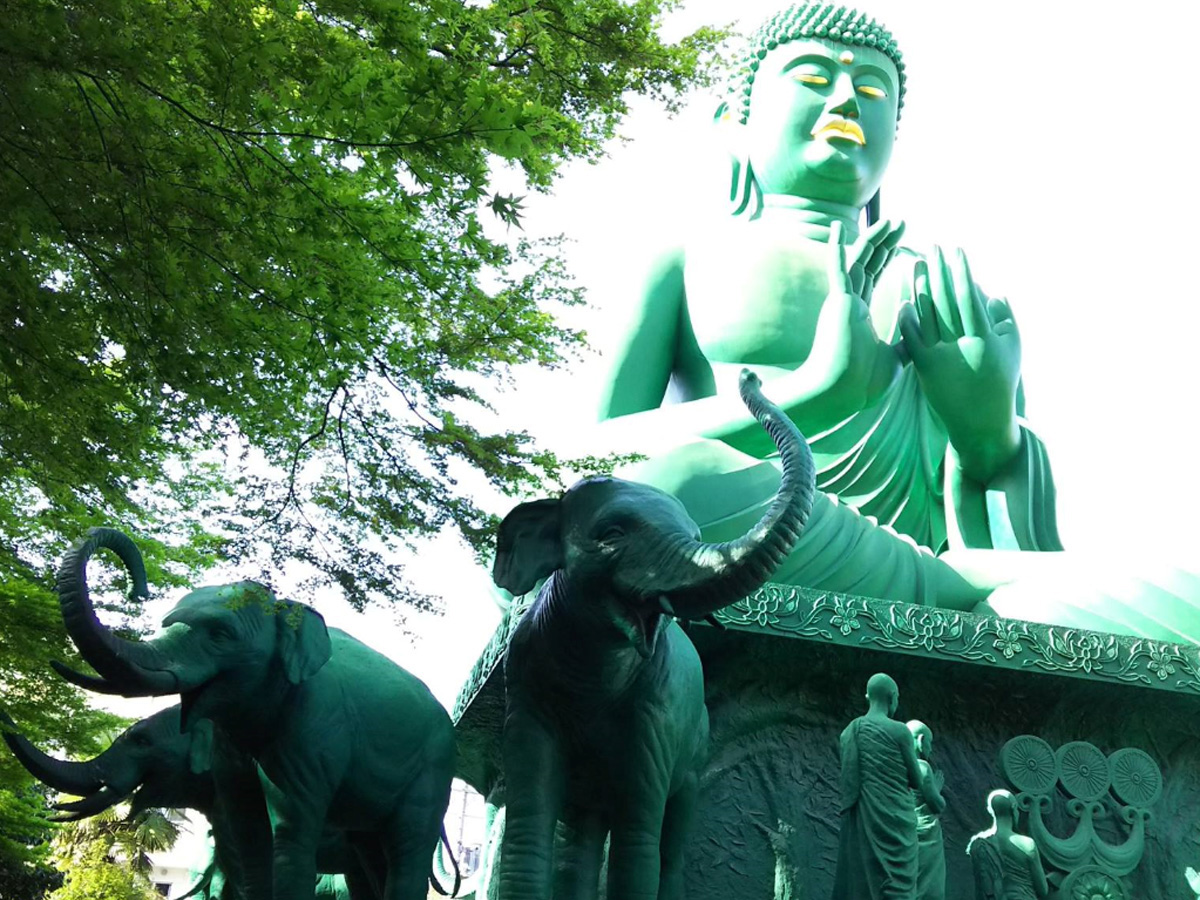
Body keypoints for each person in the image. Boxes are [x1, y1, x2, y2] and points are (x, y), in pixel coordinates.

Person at [593, 1, 1200, 642]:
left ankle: (961, 607)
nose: (849, 101)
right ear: (734, 122)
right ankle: (964, 613)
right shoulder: (690, 260)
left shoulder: (929, 283)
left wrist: (989, 432)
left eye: (873, 89)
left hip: (916, 567)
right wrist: (817, 393)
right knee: (666, 488)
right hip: (750, 528)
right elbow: (588, 469)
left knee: (1184, 591)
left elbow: (1005, 511)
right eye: (812, 77)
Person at [833, 673, 943, 899]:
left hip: (863, 819)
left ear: (867, 696)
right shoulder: (899, 730)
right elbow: (914, 779)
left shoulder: (849, 733)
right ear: (892, 697)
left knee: (864, 876)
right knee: (897, 883)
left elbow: (849, 780)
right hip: (897, 822)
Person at [967, 789, 1049, 900]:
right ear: (1014, 808)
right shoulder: (1026, 844)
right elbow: (1043, 890)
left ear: (990, 810)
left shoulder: (978, 844)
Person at [907, 720, 947, 900]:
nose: (930, 749)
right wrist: (937, 788)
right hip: (926, 831)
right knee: (930, 884)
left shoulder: (896, 766)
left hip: (906, 829)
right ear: (921, 740)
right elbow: (937, 804)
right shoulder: (922, 766)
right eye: (930, 743)